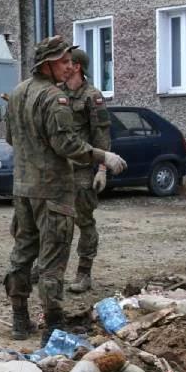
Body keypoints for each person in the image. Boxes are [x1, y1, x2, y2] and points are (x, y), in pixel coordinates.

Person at [4, 36, 126, 342]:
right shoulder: (53, 98)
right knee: (52, 261)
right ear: (47, 64)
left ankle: (20, 319)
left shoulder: (18, 92)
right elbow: (66, 144)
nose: (68, 66)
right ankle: (53, 327)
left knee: (22, 253)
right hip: (53, 190)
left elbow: (10, 138)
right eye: (62, 61)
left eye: (70, 61)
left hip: (23, 187)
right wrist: (103, 157)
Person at [63, 48, 112, 294]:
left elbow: (101, 134)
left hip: (82, 169)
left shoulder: (92, 96)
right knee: (56, 221)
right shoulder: (56, 93)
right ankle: (49, 269)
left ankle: (84, 272)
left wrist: (102, 168)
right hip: (59, 169)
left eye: (67, 62)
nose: (63, 66)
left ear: (77, 66)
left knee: (84, 221)